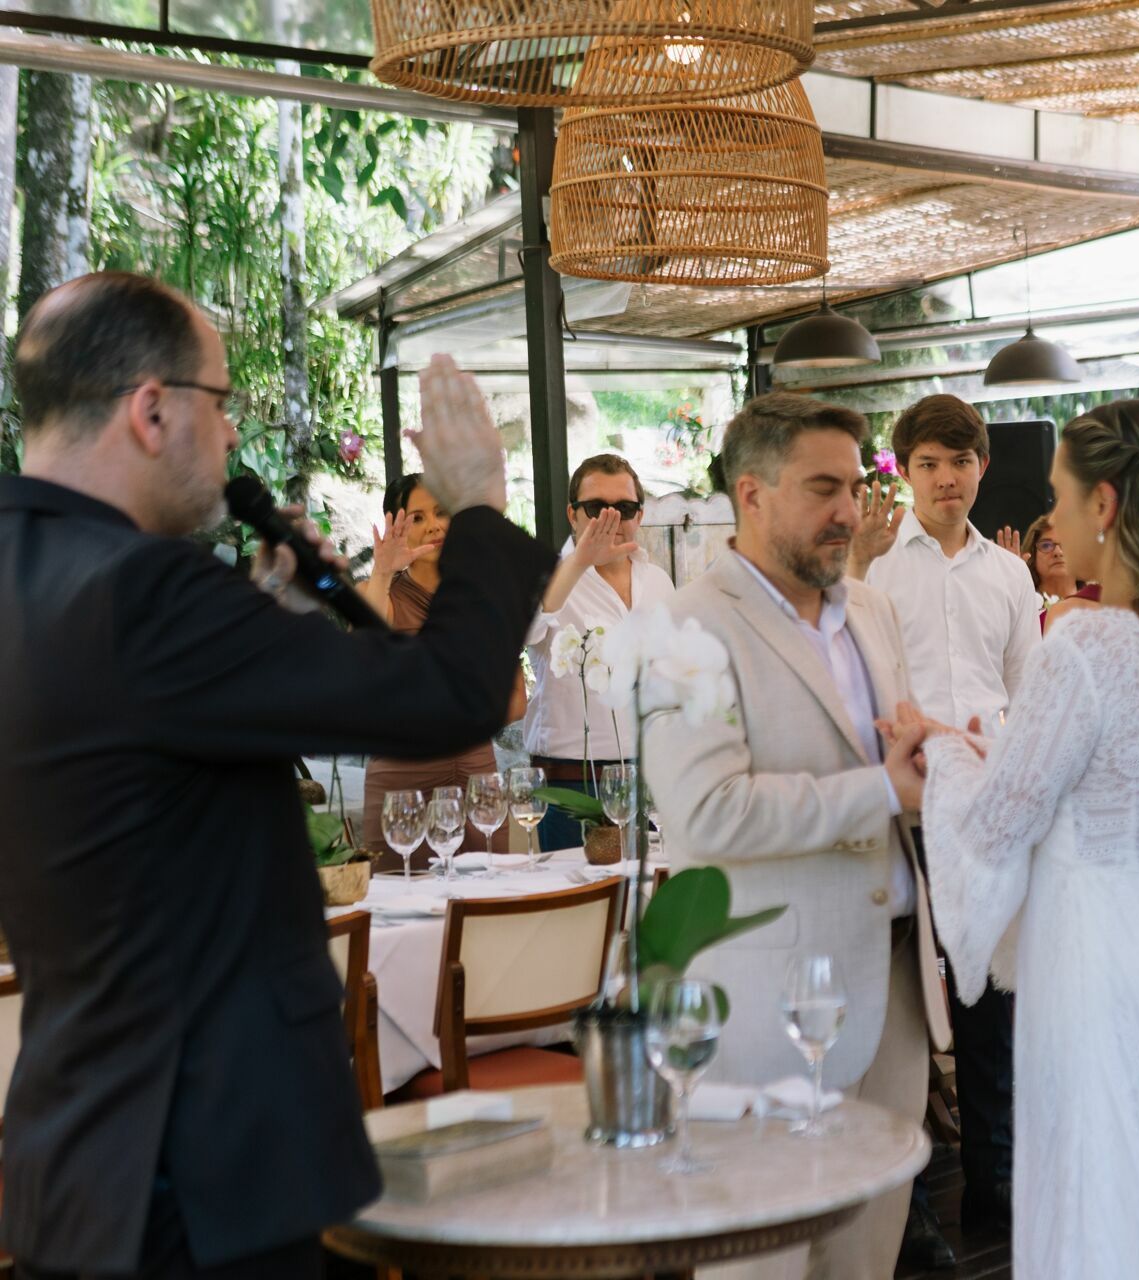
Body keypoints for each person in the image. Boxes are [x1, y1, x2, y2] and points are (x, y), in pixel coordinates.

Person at [0, 272, 552, 1279]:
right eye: (222, 404)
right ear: (152, 408)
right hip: (206, 1174)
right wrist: (477, 507)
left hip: (79, 1162)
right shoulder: (148, 591)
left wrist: (294, 606)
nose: (229, 437)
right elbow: (446, 697)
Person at [890, 400, 1139, 1279]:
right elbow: (1118, 787)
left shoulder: (1082, 646)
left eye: (1062, 497)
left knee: (1114, 1218)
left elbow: (999, 826)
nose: (1055, 519)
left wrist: (934, 758)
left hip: (1111, 972)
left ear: (1105, 507)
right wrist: (976, 748)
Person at [641, 393, 952, 1280]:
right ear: (753, 493)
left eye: (855, 487)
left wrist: (925, 766)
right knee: (760, 1265)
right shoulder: (683, 629)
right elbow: (707, 809)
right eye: (824, 488)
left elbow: (889, 776)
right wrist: (876, 787)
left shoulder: (873, 613)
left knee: (865, 1260)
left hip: (894, 985)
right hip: (763, 1001)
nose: (850, 512)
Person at [847, 394, 1034, 1262]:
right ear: (906, 473)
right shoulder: (876, 568)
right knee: (913, 1007)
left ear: (981, 468)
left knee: (995, 999)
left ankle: (996, 1182)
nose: (946, 478)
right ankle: (913, 1200)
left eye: (960, 462)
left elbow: (1024, 695)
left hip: (992, 809)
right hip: (913, 805)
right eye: (928, 464)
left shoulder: (1010, 574)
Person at [359, 473, 527, 855]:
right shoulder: (379, 594)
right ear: (394, 526)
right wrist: (382, 571)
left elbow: (516, 699)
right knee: (399, 904)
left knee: (484, 902)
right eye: (416, 518)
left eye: (441, 513)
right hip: (400, 779)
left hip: (476, 773)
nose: (434, 525)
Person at [524, 454, 675, 848]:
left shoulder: (657, 581)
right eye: (597, 509)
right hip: (573, 780)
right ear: (573, 515)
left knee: (650, 901)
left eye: (624, 508)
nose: (611, 518)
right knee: (580, 905)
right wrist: (580, 563)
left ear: (639, 517)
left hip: (652, 776)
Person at [1022, 512, 1100, 633]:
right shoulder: (1023, 608)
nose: (1058, 552)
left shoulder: (1097, 603)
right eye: (1046, 545)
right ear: (1032, 555)